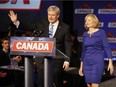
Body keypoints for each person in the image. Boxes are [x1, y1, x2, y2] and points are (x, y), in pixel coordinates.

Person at [8, 5, 72, 87]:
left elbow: (68, 45)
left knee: (57, 83)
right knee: (41, 83)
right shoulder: (42, 23)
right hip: (42, 60)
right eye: (49, 14)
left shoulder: (65, 28)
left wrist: (67, 60)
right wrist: (16, 22)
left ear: (58, 15)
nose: (50, 17)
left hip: (57, 60)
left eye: (53, 15)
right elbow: (29, 27)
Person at [79, 14, 114, 87]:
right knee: (89, 85)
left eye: (89, 20)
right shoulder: (85, 34)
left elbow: (107, 47)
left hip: (97, 62)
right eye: (86, 21)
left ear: (94, 21)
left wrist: (110, 63)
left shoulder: (101, 32)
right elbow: (84, 51)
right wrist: (81, 66)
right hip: (86, 63)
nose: (87, 22)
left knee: (95, 84)